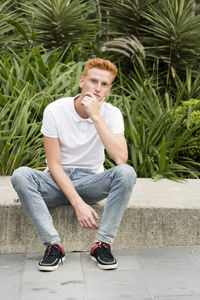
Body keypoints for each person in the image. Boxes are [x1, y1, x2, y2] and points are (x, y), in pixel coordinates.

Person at [11, 57, 136, 271]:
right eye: (93, 81)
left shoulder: (112, 114)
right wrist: (79, 205)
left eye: (104, 84)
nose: (97, 89)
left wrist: (95, 116)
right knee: (20, 175)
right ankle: (53, 245)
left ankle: (101, 244)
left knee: (126, 173)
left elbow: (120, 158)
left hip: (91, 182)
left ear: (109, 89)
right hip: (56, 181)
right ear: (81, 82)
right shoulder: (55, 110)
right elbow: (55, 165)